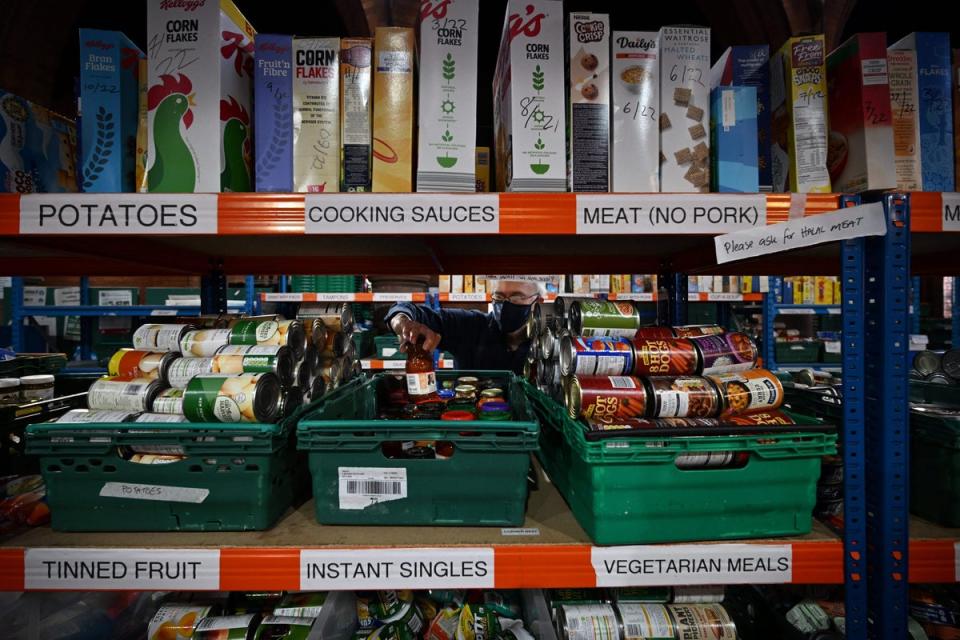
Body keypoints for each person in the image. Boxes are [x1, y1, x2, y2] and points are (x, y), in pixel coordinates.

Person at [385, 279, 543, 374]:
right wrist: (403, 323)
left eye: (516, 297)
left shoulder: (549, 345)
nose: (506, 304)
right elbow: (403, 309)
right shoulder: (470, 326)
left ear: (537, 303)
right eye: (499, 297)